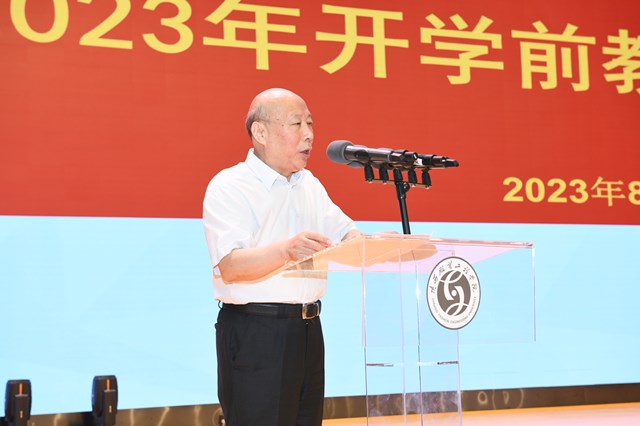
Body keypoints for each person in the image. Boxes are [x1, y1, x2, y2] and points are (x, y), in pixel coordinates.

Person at [203, 88, 360, 426]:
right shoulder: (230, 186)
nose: (309, 134)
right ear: (260, 132)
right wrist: (286, 251)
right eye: (296, 124)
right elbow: (230, 267)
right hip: (257, 333)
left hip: (308, 331)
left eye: (310, 123)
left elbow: (347, 233)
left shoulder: (309, 185)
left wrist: (376, 244)